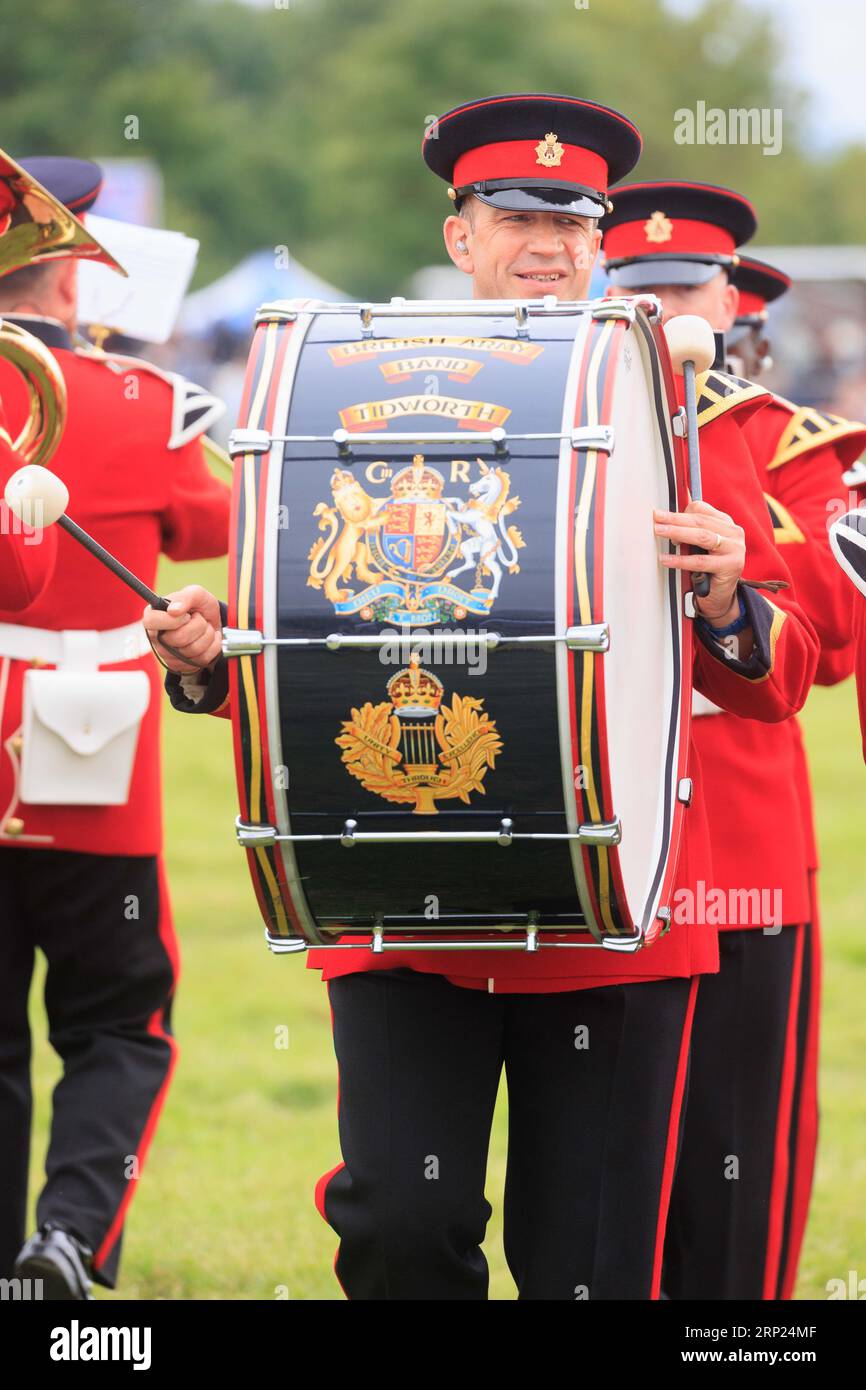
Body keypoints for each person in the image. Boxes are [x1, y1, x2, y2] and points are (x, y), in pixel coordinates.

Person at [144, 95, 818, 1300]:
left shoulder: (678, 413)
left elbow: (778, 679)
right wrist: (209, 661)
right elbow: (325, 646)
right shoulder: (351, 389)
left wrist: (723, 603)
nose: (548, 242)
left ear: (601, 236)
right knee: (400, 1226)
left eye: (573, 218)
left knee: (590, 1267)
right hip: (405, 897)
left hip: (621, 914)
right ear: (459, 238)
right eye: (513, 216)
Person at [603, 181, 866, 1299]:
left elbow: (838, 629)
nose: (661, 310)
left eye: (683, 288)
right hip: (596, 801)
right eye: (635, 290)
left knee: (736, 1137)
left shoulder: (798, 445)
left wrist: (737, 543)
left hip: (741, 825)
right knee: (600, 1140)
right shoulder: (563, 431)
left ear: (735, 305)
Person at [0, 156, 231, 1299]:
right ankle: (71, 1245)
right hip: (92, 768)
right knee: (118, 1023)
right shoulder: (143, 406)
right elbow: (211, 526)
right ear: (78, 274)